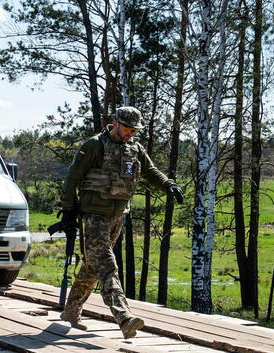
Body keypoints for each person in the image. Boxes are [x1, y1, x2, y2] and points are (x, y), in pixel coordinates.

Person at [58, 106, 185, 339]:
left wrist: (168, 185)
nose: (130, 133)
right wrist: (68, 210)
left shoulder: (134, 148)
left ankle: (70, 311)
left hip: (117, 215)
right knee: (107, 265)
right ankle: (124, 317)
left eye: (134, 130)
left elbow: (150, 170)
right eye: (127, 128)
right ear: (115, 123)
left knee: (92, 265)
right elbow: (72, 178)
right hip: (94, 215)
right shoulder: (94, 145)